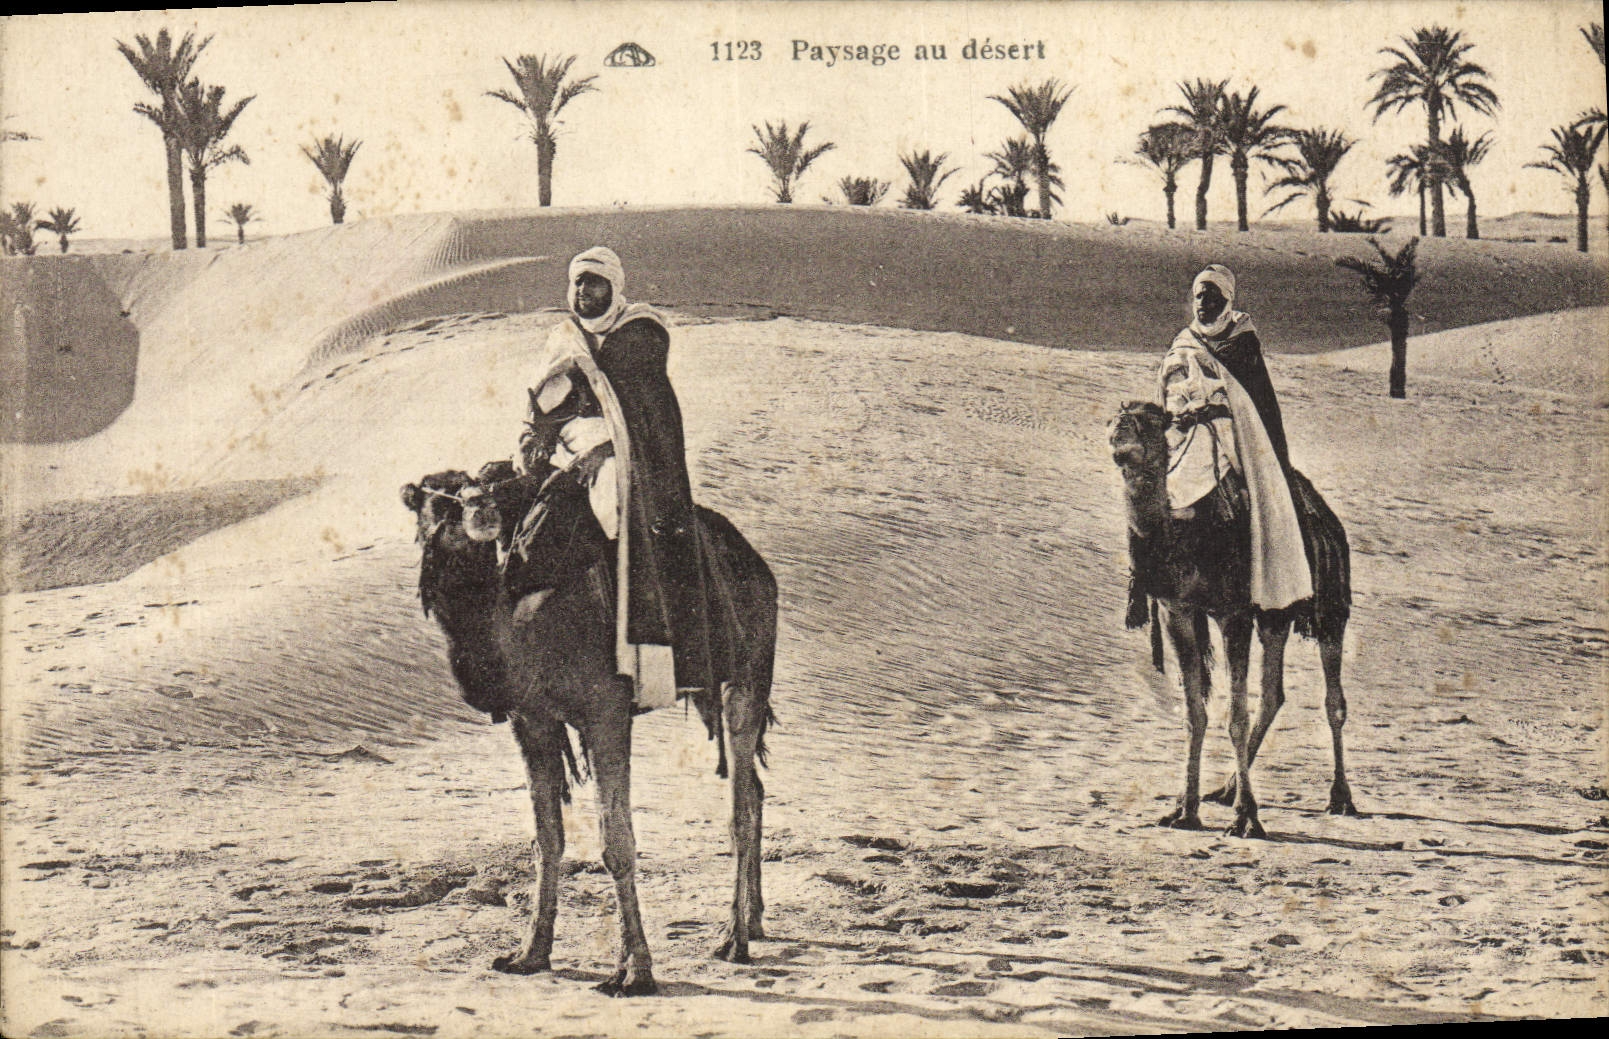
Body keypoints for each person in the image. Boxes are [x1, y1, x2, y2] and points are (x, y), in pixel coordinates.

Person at [516, 247, 714, 709]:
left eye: (595, 283)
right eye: (579, 283)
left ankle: (623, 621)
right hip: (570, 441)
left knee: (611, 502)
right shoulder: (563, 338)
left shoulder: (640, 335)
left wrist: (607, 450)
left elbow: (650, 416)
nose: (585, 292)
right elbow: (545, 399)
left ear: (614, 287)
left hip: (628, 451)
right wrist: (535, 437)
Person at [1158, 264, 1311, 611]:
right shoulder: (1184, 342)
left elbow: (1251, 404)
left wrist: (1212, 412)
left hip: (1234, 433)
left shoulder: (1242, 342)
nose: (1204, 305)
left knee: (1223, 469)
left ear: (1227, 301)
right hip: (1185, 426)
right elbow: (1167, 385)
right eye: (1199, 297)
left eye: (1213, 298)